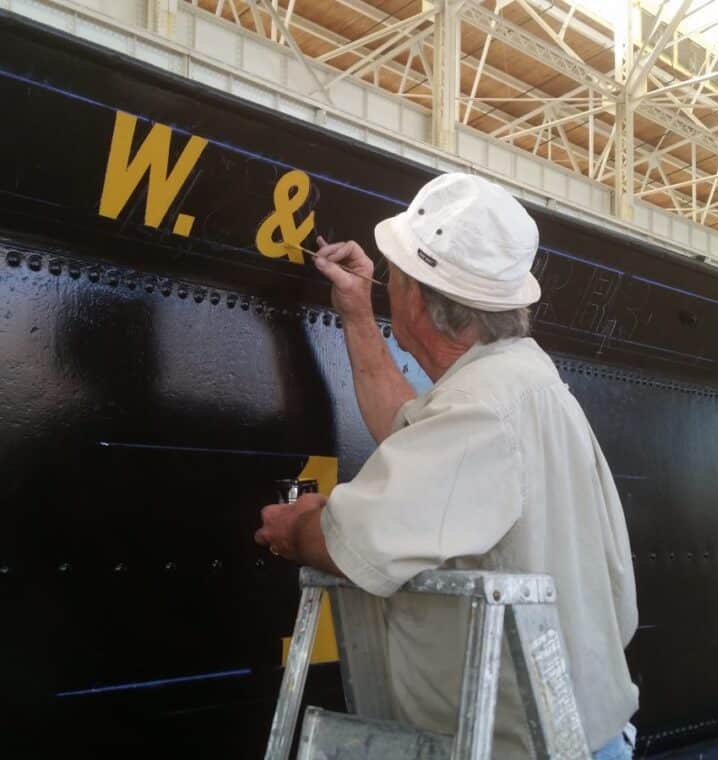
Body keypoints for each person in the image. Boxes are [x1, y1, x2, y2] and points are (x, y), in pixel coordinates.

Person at [254, 172, 639, 759]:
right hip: (580, 734)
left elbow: (352, 538)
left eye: (394, 276)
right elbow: (413, 438)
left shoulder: (481, 412)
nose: (388, 285)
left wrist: (299, 528)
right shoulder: (520, 383)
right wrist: (359, 314)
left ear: (420, 300)